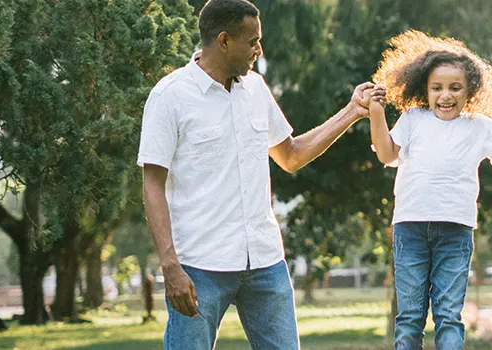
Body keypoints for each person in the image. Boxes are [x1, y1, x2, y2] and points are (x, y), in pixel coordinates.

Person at [137, 0, 385, 348]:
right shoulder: (169, 96)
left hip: (265, 261)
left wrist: (352, 111)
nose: (259, 49)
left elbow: (291, 156)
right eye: (252, 41)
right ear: (223, 41)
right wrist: (169, 265)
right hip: (199, 266)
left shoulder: (255, 88)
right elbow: (152, 183)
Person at [366, 30, 492, 350]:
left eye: (455, 88)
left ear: (470, 90)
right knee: (410, 315)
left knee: (448, 314)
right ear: (424, 90)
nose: (446, 95)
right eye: (437, 88)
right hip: (410, 228)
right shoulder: (414, 118)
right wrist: (376, 111)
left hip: (456, 230)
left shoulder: (479, 125)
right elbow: (387, 153)